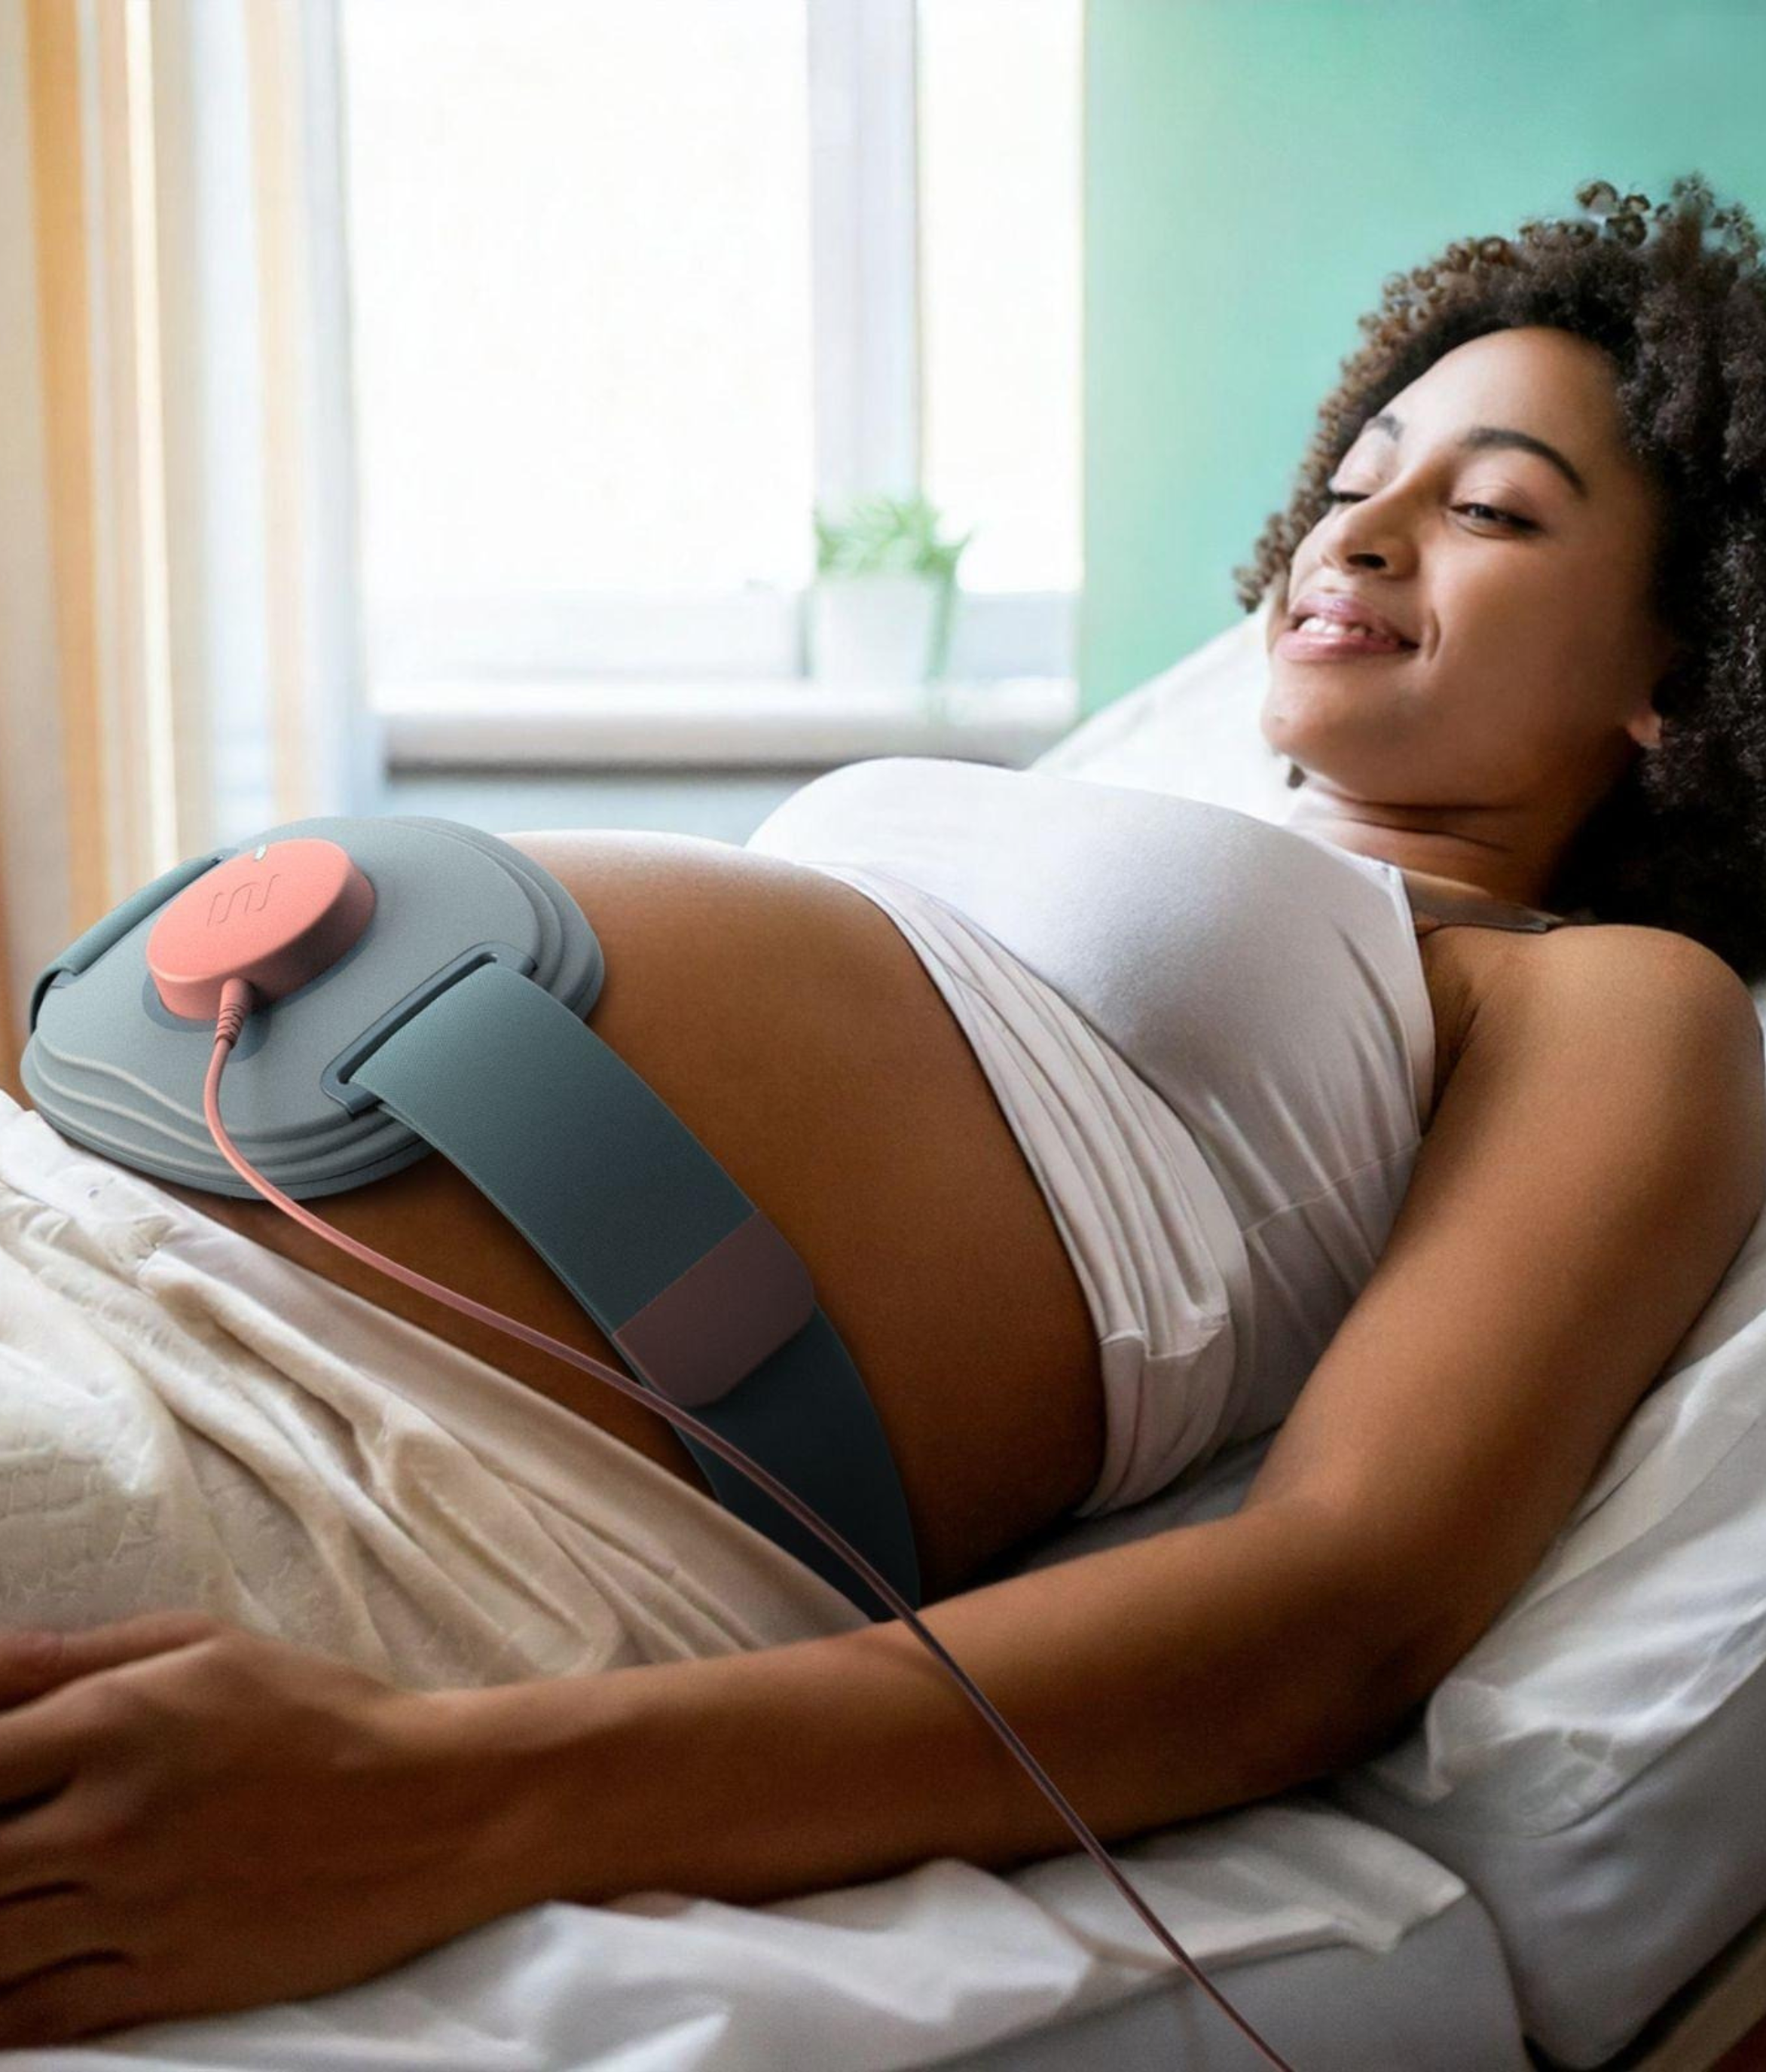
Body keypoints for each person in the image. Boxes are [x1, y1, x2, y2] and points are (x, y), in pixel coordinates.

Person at [0, 172, 1762, 2050]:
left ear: (1680, 662)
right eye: (1352, 484)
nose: (1367, 531)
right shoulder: (1133, 819)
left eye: (1489, 507)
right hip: (87, 1234)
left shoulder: (1602, 994)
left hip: (392, 1464)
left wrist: (435, 1798)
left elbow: (1338, 1592)